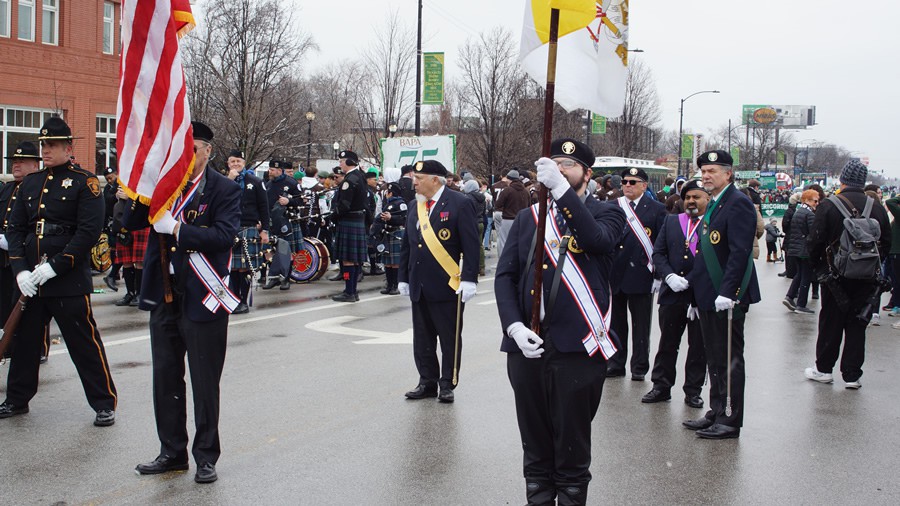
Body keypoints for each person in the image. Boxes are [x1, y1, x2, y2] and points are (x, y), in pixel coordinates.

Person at [495, 138, 625, 504]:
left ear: (588, 173)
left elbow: (596, 239)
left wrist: (562, 191)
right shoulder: (528, 219)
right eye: (554, 164)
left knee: (571, 447)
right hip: (528, 347)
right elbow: (506, 276)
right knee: (535, 446)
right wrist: (514, 326)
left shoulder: (607, 213)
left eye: (569, 165)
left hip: (578, 347)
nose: (560, 169)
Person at [127, 121, 241, 484]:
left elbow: (224, 235)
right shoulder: (161, 189)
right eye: (179, 150)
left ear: (207, 150)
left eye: (192, 150)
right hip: (165, 294)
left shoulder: (223, 188)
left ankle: (206, 455)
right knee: (165, 378)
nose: (186, 158)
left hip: (202, 297)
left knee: (205, 381)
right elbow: (128, 222)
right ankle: (171, 452)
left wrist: (177, 229)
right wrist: (137, 188)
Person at [1, 117, 118, 426]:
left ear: (68, 147)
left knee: (83, 341)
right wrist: (20, 271)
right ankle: (16, 399)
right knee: (24, 342)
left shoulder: (85, 181)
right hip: (31, 280)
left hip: (66, 278)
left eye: (51, 145)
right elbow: (16, 229)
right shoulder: (31, 181)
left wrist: (56, 266)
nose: (46, 150)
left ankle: (104, 401)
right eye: (43, 145)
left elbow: (88, 232)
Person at [683, 150, 760, 440]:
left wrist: (729, 292)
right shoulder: (716, 203)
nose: (705, 176)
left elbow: (740, 253)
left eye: (712, 171)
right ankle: (717, 411)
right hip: (708, 295)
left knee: (729, 359)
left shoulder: (738, 203)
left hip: (726, 297)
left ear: (728, 173)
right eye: (703, 171)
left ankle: (730, 419)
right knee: (714, 358)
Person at [399, 160, 480, 403]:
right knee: (422, 338)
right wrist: (403, 277)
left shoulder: (460, 203)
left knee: (448, 338)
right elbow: (408, 244)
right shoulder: (415, 205)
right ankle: (427, 381)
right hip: (419, 284)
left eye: (418, 178)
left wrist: (469, 279)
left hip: (447, 285)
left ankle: (447, 383)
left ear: (435, 180)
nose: (414, 182)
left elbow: (471, 245)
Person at [805, 159, 890, 389]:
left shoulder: (830, 205)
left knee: (830, 321)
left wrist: (820, 269)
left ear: (842, 179)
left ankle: (824, 369)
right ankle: (852, 375)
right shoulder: (876, 207)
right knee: (857, 323)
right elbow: (886, 244)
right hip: (866, 277)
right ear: (863, 181)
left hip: (835, 276)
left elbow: (814, 242)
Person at [642, 180, 708, 409]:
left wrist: (693, 284)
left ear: (708, 200)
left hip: (699, 296)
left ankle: (693, 391)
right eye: (688, 197)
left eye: (697, 197)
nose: (691, 201)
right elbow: (658, 253)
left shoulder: (713, 224)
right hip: (672, 293)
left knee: (698, 346)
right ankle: (661, 386)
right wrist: (668, 276)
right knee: (667, 343)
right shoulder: (671, 222)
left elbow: (714, 261)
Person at [607, 167, 667, 380]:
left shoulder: (657, 209)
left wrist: (659, 275)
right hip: (616, 274)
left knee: (641, 326)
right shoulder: (612, 206)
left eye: (633, 182)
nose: (628, 186)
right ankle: (615, 363)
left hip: (642, 274)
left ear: (644, 185)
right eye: (624, 182)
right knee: (616, 324)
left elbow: (661, 244)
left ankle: (639, 367)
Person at [0, 142, 46, 362]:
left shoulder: (38, 187)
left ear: (35, 164)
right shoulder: (7, 188)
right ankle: (8, 344)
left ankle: (39, 348)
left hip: (28, 256)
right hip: (5, 259)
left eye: (21, 161)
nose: (16, 165)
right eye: (14, 162)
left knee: (29, 306)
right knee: (5, 303)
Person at [225, 149, 270, 314]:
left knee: (244, 268)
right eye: (232, 161)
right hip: (228, 227)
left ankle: (242, 301)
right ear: (228, 164)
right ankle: (233, 299)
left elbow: (264, 207)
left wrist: (265, 230)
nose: (236, 164)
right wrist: (229, 180)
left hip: (248, 227)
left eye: (238, 161)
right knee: (232, 267)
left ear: (244, 163)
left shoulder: (255, 182)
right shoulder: (223, 181)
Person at [331, 150, 369, 302]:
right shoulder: (360, 176)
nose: (340, 164)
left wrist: (333, 216)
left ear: (349, 162)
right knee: (353, 260)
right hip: (358, 220)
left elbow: (344, 205)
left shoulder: (350, 179)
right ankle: (352, 291)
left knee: (347, 260)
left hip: (349, 220)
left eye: (342, 161)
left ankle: (349, 291)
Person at [263, 159, 303, 291]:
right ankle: (273, 278)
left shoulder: (291, 183)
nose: (270, 172)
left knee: (286, 251)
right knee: (270, 251)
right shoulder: (268, 184)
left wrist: (289, 201)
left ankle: (285, 279)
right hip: (271, 222)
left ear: (280, 170)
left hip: (287, 221)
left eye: (272, 170)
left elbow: (301, 200)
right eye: (269, 169)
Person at [112, 182, 150, 307]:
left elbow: (150, 199)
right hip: (123, 222)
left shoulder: (146, 178)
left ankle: (140, 294)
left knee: (139, 261)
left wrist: (131, 198)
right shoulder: (124, 176)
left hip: (140, 222)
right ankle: (130, 293)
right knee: (126, 261)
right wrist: (117, 196)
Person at [783, 190, 819, 315]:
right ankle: (801, 304)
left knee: (800, 274)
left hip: (796, 248)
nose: (816, 203)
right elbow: (813, 234)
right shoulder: (809, 214)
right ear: (807, 200)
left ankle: (790, 296)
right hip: (804, 250)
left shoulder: (798, 212)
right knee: (806, 277)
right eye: (815, 200)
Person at [373, 182, 407, 295]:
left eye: (387, 192)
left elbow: (404, 219)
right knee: (387, 262)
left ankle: (396, 286)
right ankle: (389, 285)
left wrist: (391, 217)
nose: (386, 194)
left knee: (395, 262)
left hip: (396, 232)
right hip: (387, 233)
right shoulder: (387, 204)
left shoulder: (401, 203)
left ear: (391, 193)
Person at [494, 169, 530, 256]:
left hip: (508, 219)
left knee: (504, 242)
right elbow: (529, 205)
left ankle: (504, 263)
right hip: (522, 220)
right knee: (518, 242)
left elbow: (498, 204)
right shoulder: (526, 191)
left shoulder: (507, 190)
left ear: (510, 179)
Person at [102, 166, 121, 291]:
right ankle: (113, 274)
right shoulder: (109, 188)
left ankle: (114, 274)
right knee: (115, 249)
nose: (109, 180)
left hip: (121, 221)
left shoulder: (121, 185)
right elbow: (107, 201)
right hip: (112, 222)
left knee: (120, 251)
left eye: (111, 177)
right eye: (107, 179)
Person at [462, 179, 487, 275]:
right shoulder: (482, 198)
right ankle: (481, 267)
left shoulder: (467, 198)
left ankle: (472, 267)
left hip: (471, 223)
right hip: (480, 222)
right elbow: (484, 211)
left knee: (469, 246)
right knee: (480, 246)